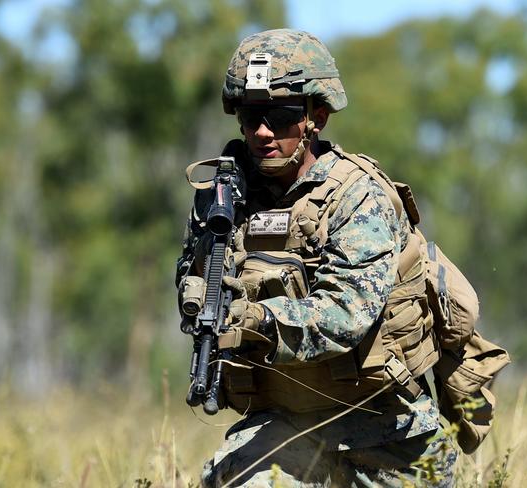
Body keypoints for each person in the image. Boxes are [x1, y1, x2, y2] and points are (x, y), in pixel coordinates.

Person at [176, 28, 466, 487]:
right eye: (251, 115)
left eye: (280, 115)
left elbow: (350, 313)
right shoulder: (223, 200)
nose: (262, 131)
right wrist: (194, 289)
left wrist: (257, 318)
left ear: (318, 117)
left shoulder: (355, 195)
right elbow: (196, 283)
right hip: (286, 424)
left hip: (384, 427)